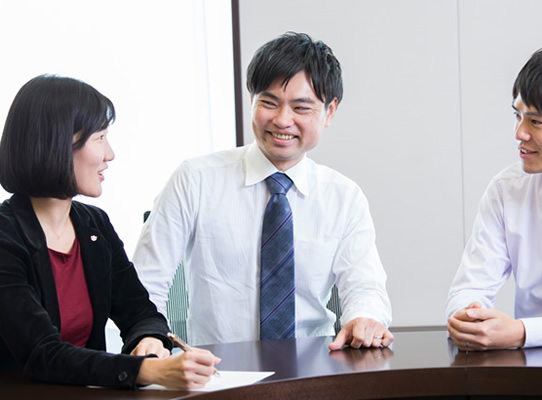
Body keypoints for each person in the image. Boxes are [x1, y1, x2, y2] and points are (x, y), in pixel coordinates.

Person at [133, 32, 393, 350]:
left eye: (301, 108)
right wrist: (151, 340)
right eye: (269, 103)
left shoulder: (344, 197)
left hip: (315, 364)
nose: (282, 120)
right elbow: (146, 283)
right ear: (252, 100)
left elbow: (365, 285)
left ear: (330, 111)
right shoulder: (195, 180)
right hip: (219, 368)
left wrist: (365, 317)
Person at [0, 75, 219, 388]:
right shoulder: (6, 237)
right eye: (100, 137)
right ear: (57, 143)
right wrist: (149, 371)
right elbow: (42, 354)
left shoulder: (94, 225)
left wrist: (148, 339)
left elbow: (140, 311)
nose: (110, 154)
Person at [446, 44, 542, 351]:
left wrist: (525, 332)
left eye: (535, 122)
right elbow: (470, 285)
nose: (519, 133)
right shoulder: (506, 190)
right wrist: (469, 316)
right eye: (517, 116)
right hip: (529, 364)